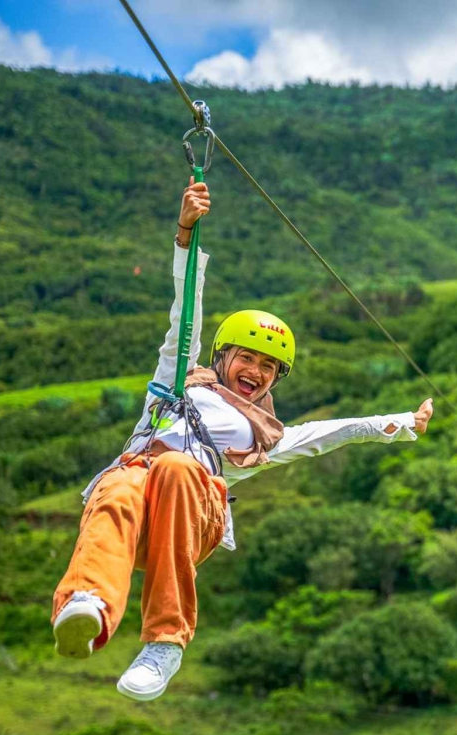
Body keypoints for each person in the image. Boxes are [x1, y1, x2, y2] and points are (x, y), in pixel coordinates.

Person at [51, 179, 433, 702]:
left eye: (269, 367)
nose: (256, 371)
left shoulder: (264, 438)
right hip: (138, 496)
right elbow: (185, 310)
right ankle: (88, 607)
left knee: (177, 469)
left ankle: (165, 642)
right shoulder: (177, 377)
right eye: (247, 358)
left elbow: (334, 433)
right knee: (121, 484)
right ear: (223, 357)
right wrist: (186, 233)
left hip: (190, 513)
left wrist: (404, 422)